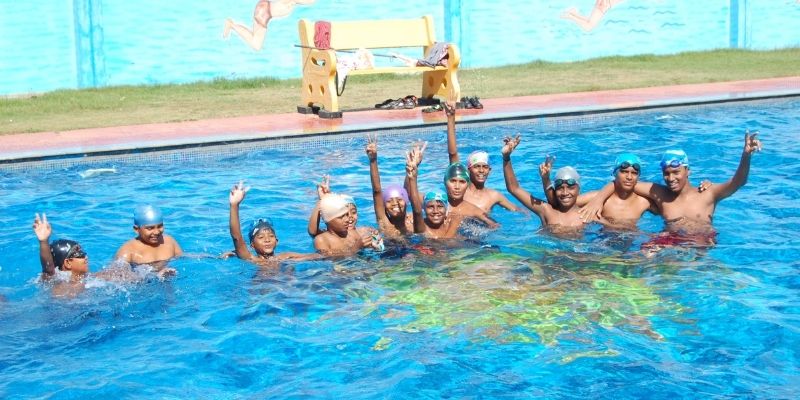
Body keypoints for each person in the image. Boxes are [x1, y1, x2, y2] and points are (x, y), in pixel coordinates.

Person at [582, 130, 763, 244]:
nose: (671, 178)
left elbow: (738, 182)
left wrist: (746, 155)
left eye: (676, 172)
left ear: (688, 171)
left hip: (700, 244)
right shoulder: (660, 193)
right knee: (645, 253)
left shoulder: (708, 193)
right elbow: (625, 182)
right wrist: (598, 200)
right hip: (669, 243)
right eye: (666, 173)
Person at [540, 153, 657, 230]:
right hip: (601, 243)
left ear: (638, 176)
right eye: (624, 172)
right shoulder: (596, 197)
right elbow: (558, 203)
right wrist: (546, 179)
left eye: (634, 173)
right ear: (614, 174)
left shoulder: (644, 202)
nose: (629, 177)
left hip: (632, 243)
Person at [502, 135, 586, 236]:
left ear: (579, 189)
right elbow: (514, 188)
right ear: (554, 190)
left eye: (570, 188)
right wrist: (506, 158)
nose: (565, 193)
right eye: (560, 188)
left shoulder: (588, 214)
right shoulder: (547, 211)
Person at [444, 102, 518, 213]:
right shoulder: (460, 190)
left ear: (490, 170)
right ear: (468, 170)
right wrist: (451, 118)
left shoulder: (494, 196)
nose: (481, 170)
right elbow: (453, 154)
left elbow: (517, 210)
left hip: (486, 224)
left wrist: (506, 156)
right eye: (476, 166)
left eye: (485, 167)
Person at [229, 181, 319, 266]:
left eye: (271, 236)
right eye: (261, 237)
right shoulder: (252, 259)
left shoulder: (285, 256)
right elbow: (237, 237)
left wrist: (322, 201)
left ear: (277, 241)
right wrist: (234, 205)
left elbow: (317, 256)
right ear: (252, 245)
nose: (267, 240)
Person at [307, 176, 384, 251]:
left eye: (352, 212)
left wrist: (376, 244)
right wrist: (322, 200)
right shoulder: (323, 239)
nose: (348, 218)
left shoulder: (358, 232)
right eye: (342, 216)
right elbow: (313, 232)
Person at [405, 143, 461, 239]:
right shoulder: (422, 227)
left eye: (440, 206)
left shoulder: (454, 222)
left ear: (446, 210)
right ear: (424, 209)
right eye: (430, 207)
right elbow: (416, 210)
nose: (435, 211)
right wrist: (412, 177)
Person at [365, 133, 414, 239]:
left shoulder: (412, 221)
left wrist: (411, 170)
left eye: (399, 199)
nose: (394, 203)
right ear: (384, 206)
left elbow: (407, 191)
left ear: (406, 201)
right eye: (389, 201)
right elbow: (377, 192)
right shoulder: (384, 223)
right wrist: (373, 160)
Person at [32, 213, 90, 297]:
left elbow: (110, 271)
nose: (86, 256)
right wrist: (43, 241)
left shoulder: (90, 278)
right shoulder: (58, 282)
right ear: (68, 263)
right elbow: (48, 269)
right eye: (80, 253)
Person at [223, 0, 316, 51]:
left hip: (263, 10)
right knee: (256, 44)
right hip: (264, 12)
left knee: (255, 42)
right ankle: (232, 25)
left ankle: (232, 25)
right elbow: (310, 1)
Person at [114, 205, 183, 271]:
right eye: (150, 228)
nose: (156, 232)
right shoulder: (127, 252)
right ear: (136, 229)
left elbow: (183, 259)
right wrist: (155, 275)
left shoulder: (169, 241)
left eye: (160, 226)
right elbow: (117, 276)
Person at [561, 0, 626, 32]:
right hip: (604, 4)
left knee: (589, 22)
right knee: (588, 27)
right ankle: (571, 16)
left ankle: (573, 13)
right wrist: (603, 1)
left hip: (605, 4)